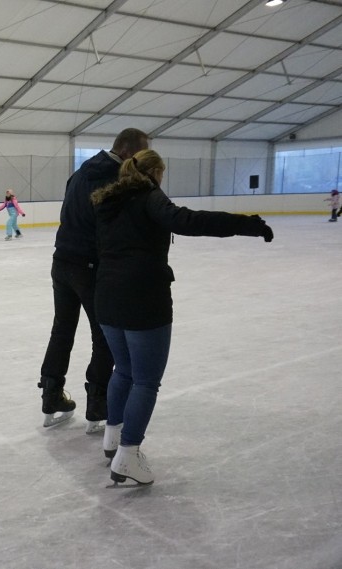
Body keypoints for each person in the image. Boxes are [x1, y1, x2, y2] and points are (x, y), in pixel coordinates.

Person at [90, 149, 274, 486]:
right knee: (145, 380)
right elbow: (187, 220)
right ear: (156, 172)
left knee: (124, 371)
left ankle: (113, 439)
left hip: (106, 296)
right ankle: (128, 455)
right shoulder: (149, 197)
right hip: (143, 298)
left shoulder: (108, 201)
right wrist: (244, 223)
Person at [38, 128, 150, 431]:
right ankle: (98, 402)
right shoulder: (116, 178)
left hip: (61, 260)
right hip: (89, 265)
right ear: (127, 152)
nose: (142, 162)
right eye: (140, 156)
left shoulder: (81, 172)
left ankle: (51, 394)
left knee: (62, 329)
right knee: (104, 335)